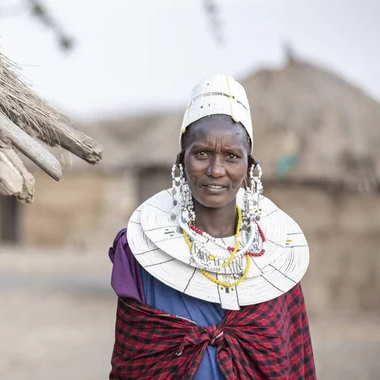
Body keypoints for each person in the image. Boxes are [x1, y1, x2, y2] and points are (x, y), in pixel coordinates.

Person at [108, 74, 315, 379]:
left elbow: (294, 363)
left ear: (249, 167)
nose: (216, 170)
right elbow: (131, 366)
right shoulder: (140, 254)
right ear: (182, 161)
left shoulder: (278, 260)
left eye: (231, 156)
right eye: (202, 154)